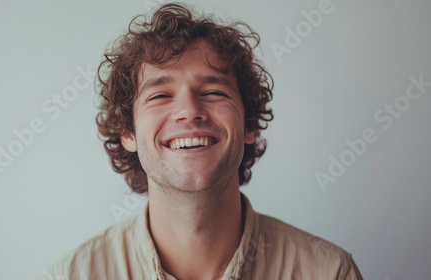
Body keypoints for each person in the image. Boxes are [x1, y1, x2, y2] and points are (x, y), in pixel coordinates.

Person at [45, 3, 363, 280]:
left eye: (213, 92)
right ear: (127, 132)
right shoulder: (71, 276)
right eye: (159, 95)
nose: (189, 111)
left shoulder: (330, 272)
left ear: (250, 123)